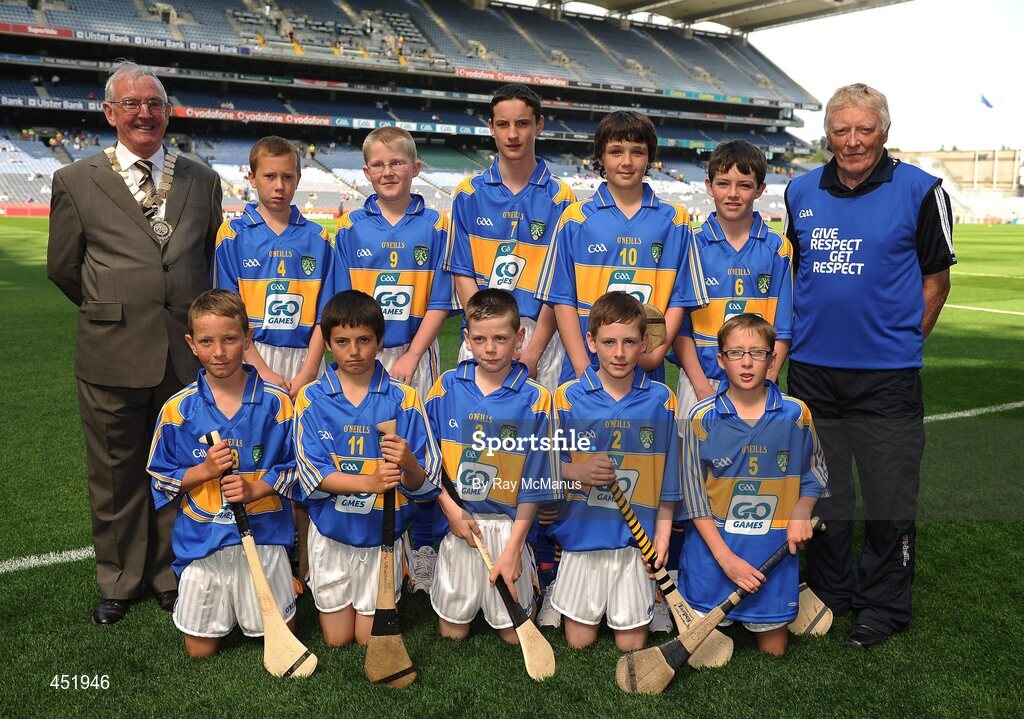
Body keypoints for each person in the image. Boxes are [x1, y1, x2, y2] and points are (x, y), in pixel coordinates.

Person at [47, 60, 222, 626]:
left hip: (185, 353)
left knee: (180, 466)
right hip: (111, 351)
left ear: (167, 112)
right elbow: (64, 268)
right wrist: (114, 308)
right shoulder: (75, 180)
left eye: (154, 103)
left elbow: (208, 258)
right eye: (131, 103)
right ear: (109, 112)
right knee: (115, 472)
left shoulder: (202, 178)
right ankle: (119, 578)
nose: (144, 113)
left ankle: (171, 573)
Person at [783, 83, 955, 649]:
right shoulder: (800, 190)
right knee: (823, 490)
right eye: (842, 130)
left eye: (864, 129)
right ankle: (831, 592)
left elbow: (936, 281)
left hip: (886, 377)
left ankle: (884, 605)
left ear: (884, 131)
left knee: (888, 492)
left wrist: (901, 343)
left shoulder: (921, 190)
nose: (853, 141)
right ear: (827, 134)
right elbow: (797, 271)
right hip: (812, 372)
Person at [336, 127, 458, 583]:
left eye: (397, 163)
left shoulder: (437, 225)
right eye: (379, 165)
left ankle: (423, 545)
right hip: (361, 356)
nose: (388, 172)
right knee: (368, 448)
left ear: (415, 168)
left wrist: (412, 356)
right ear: (366, 172)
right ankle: (381, 543)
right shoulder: (349, 227)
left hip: (414, 354)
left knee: (421, 449)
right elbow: (342, 306)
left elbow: (440, 302)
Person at [147, 290, 298, 658]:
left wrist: (255, 489)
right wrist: (204, 471)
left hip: (264, 539)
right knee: (199, 651)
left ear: (247, 339)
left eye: (230, 339)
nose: (219, 352)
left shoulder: (277, 403)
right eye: (207, 341)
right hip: (204, 543)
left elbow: (297, 468)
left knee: (278, 634)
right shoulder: (178, 409)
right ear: (191, 344)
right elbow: (161, 478)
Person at [292, 290, 440, 647]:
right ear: (328, 344)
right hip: (332, 532)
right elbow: (311, 474)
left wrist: (408, 463)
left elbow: (425, 483)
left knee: (365, 638)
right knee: (337, 639)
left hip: (381, 535)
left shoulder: (404, 398)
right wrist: (369, 482)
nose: (354, 351)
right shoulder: (311, 398)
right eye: (342, 342)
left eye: (364, 340)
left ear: (380, 341)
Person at [678, 314, 828, 657]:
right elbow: (693, 499)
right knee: (706, 659)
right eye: (736, 353)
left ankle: (775, 604)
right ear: (721, 360)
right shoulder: (701, 417)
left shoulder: (795, 414)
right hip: (712, 559)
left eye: (757, 353)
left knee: (775, 651)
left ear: (772, 359)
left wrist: (802, 511)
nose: (746, 363)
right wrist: (726, 559)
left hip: (770, 556)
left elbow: (815, 472)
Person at [547, 292, 681, 651]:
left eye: (629, 342)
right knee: (579, 641)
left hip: (635, 545)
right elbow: (541, 467)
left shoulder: (662, 400)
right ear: (591, 342)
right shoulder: (567, 397)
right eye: (609, 342)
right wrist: (577, 471)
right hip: (582, 540)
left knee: (630, 645)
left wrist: (662, 538)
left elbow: (669, 480)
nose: (619, 353)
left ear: (644, 343)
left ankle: (652, 597)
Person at [537, 110, 707, 386]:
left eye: (637, 152)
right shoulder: (575, 219)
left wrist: (656, 353)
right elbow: (562, 299)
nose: (626, 161)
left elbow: (681, 298)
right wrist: (582, 367)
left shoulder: (675, 221)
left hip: (646, 372)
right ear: (600, 157)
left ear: (650, 157)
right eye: (616, 151)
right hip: (584, 371)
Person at [424, 288, 557, 642]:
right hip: (460, 525)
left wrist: (513, 549)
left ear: (519, 337)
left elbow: (536, 483)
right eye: (480, 339)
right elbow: (427, 461)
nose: (490, 349)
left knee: (513, 636)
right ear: (466, 339)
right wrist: (450, 509)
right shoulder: (446, 387)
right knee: (453, 633)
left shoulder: (537, 400)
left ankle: (532, 580)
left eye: (501, 338)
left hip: (509, 529)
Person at [445, 83, 575, 394]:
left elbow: (561, 285)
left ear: (539, 125)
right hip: (483, 333)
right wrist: (486, 333)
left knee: (538, 424)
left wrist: (533, 352)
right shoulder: (468, 194)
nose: (512, 134)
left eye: (522, 123)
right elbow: (462, 273)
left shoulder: (561, 197)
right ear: (491, 127)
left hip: (540, 337)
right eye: (503, 124)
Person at [213, 135, 344, 400]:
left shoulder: (318, 238)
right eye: (270, 176)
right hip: (251, 354)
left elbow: (325, 315)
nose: (279, 186)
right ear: (252, 178)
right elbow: (227, 314)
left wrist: (308, 372)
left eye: (287, 177)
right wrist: (262, 370)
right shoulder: (231, 235)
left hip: (306, 357)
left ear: (298, 179)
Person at [673, 139, 793, 427]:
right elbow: (680, 328)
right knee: (693, 455)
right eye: (723, 183)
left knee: (756, 456)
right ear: (709, 185)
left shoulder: (778, 248)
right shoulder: (690, 245)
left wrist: (767, 380)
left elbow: (783, 329)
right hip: (701, 382)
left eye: (744, 185)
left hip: (758, 383)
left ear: (760, 189)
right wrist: (702, 389)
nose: (733, 194)